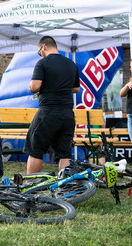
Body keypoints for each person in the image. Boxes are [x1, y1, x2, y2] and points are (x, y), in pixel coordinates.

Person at [25, 36, 80, 174]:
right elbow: (76, 88)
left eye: (40, 52)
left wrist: (36, 87)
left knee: (35, 149)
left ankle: (30, 183)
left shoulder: (42, 63)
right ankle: (65, 183)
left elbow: (34, 87)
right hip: (67, 113)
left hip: (48, 112)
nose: (40, 54)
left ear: (44, 47)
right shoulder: (70, 63)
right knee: (64, 152)